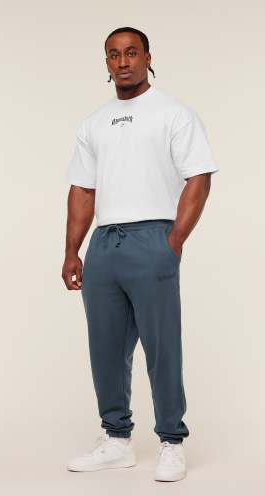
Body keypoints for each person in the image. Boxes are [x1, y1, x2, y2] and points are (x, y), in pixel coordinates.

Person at [62, 26, 219, 482]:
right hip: (104, 244)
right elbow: (82, 189)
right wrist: (72, 250)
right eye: (114, 55)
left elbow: (199, 176)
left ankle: (172, 441)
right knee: (106, 348)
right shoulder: (93, 123)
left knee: (161, 345)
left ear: (148, 57)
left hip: (153, 238)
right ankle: (116, 439)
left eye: (132, 52)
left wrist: (174, 241)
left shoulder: (173, 113)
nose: (123, 61)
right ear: (106, 64)